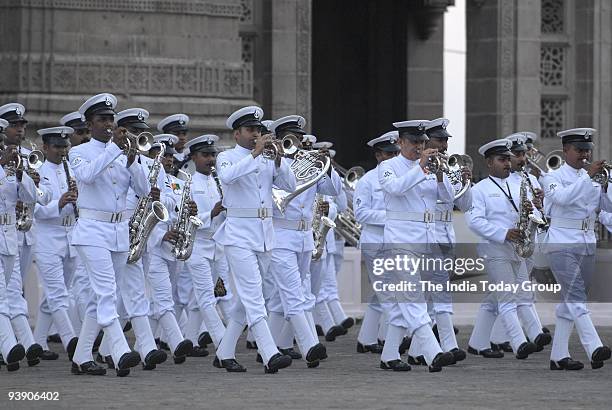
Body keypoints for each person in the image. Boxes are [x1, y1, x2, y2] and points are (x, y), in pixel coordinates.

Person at [212, 106, 296, 373]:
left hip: (264, 235)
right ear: (237, 134)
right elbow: (227, 177)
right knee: (253, 297)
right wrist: (256, 153)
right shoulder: (227, 157)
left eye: (259, 130)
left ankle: (224, 353)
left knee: (248, 298)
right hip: (238, 234)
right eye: (251, 130)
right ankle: (269, 353)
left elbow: (290, 186)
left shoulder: (267, 159)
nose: (256, 135)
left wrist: (280, 160)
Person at [542, 127, 612, 370]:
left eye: (587, 150)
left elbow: (607, 207)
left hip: (586, 242)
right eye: (579, 150)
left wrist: (606, 186)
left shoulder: (593, 178)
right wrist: (588, 177)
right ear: (566, 150)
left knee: (572, 300)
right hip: (561, 241)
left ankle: (558, 356)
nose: (584, 154)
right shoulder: (552, 177)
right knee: (575, 297)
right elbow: (562, 198)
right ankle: (594, 347)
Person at [465, 138, 538, 360]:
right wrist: (503, 233)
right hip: (495, 249)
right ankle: (519, 342)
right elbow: (474, 221)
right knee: (507, 298)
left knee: (511, 296)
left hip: (517, 249)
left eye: (508, 159)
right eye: (501, 159)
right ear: (489, 163)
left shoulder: (519, 185)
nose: (507, 163)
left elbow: (528, 213)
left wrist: (536, 207)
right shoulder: (480, 189)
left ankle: (478, 342)